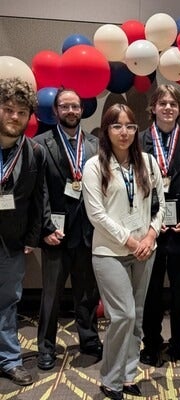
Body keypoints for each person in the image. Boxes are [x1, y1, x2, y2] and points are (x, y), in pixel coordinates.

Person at [82, 103, 165, 399]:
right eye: (117, 126)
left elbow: (159, 206)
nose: (124, 132)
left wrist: (151, 235)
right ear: (106, 130)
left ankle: (129, 375)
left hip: (145, 250)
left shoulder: (148, 162)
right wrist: (131, 241)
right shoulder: (94, 165)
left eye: (130, 126)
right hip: (109, 253)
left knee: (137, 316)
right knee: (123, 315)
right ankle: (110, 378)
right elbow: (96, 215)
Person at [34, 88, 101, 370]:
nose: (71, 111)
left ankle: (88, 339)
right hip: (55, 233)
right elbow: (39, 192)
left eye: (75, 106)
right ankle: (46, 348)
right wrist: (46, 228)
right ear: (55, 111)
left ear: (82, 110)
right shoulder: (40, 144)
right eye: (65, 107)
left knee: (87, 294)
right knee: (51, 296)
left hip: (87, 232)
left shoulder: (95, 145)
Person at [139, 84, 180, 366]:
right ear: (152, 108)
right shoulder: (138, 142)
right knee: (150, 292)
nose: (168, 108)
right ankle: (151, 343)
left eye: (173, 104)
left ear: (179, 110)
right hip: (148, 231)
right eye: (162, 103)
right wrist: (148, 222)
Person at [0, 77, 45, 386]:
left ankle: (9, 359)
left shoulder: (34, 152)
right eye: (7, 109)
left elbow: (38, 197)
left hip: (11, 242)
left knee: (7, 302)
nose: (14, 117)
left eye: (20, 112)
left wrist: (31, 239)